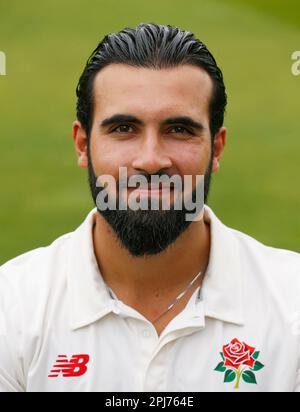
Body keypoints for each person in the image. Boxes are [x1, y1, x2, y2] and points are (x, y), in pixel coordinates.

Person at [0, 23, 299, 393]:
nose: (151, 160)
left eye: (179, 130)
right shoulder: (11, 308)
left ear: (217, 148)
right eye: (124, 128)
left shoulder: (292, 306)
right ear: (82, 144)